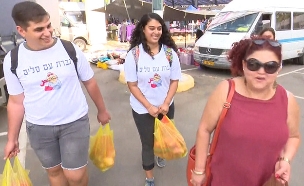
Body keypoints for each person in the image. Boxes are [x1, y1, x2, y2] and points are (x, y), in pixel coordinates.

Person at [3, 2, 111, 186]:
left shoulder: (69, 49)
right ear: (22, 31)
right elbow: (15, 102)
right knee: (54, 172)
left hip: (74, 122)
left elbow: (90, 82)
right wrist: (12, 139)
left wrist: (102, 110)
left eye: (48, 25)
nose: (47, 32)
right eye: (39, 29)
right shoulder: (13, 59)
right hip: (39, 128)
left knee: (75, 176)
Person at [190, 36, 300, 186]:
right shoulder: (226, 90)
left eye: (270, 66)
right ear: (243, 64)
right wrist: (199, 170)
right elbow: (204, 129)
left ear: (279, 68)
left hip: (268, 182)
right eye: (254, 64)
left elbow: (294, 136)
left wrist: (285, 160)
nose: (261, 72)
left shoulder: (288, 101)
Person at [124, 13, 182, 186]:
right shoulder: (134, 55)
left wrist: (166, 103)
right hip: (142, 109)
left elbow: (174, 81)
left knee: (163, 137)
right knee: (147, 143)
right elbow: (132, 85)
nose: (156, 32)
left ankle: (161, 153)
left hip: (166, 107)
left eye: (159, 28)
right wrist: (149, 106)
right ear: (143, 29)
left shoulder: (170, 53)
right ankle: (149, 178)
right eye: (151, 28)